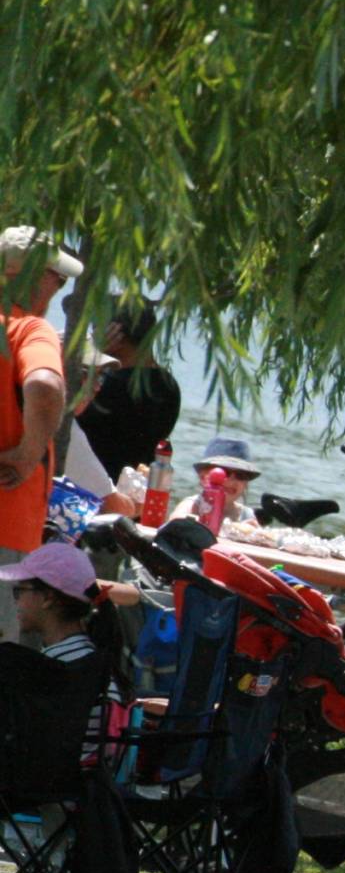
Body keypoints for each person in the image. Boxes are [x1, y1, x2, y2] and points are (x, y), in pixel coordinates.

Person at [0, 228, 79, 642]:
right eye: (57, 278)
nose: (58, 289)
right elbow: (45, 386)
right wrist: (29, 453)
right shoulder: (27, 329)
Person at [0, 541, 120, 801]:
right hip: (75, 786)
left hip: (33, 785)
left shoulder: (52, 670)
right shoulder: (90, 661)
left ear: (48, 598)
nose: (17, 601)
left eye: (20, 591)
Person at [71, 301, 181, 483]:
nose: (92, 336)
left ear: (115, 333)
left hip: (94, 490)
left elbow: (64, 418)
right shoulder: (169, 385)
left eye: (95, 330)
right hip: (134, 488)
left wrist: (92, 354)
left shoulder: (110, 387)